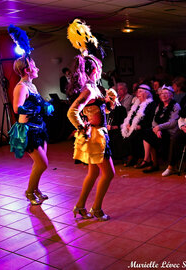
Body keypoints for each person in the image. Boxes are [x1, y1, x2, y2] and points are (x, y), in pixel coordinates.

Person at [66, 18, 114, 221]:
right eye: (99, 69)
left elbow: (97, 109)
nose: (101, 71)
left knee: (93, 173)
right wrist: (83, 127)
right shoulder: (89, 89)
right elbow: (72, 112)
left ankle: (79, 207)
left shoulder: (94, 88)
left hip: (98, 134)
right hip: (95, 137)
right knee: (109, 173)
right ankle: (96, 209)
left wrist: (109, 102)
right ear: (94, 70)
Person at [8, 25, 54, 205]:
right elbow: (17, 108)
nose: (38, 68)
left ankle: (36, 189)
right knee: (42, 164)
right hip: (27, 131)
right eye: (34, 66)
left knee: (40, 164)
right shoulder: (21, 87)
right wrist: (36, 109)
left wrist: (45, 107)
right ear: (27, 70)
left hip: (39, 128)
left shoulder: (32, 86)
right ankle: (29, 192)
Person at [141, 85, 180, 173]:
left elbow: (173, 123)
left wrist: (159, 127)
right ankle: (151, 161)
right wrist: (157, 129)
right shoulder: (160, 106)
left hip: (169, 131)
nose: (163, 95)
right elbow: (154, 119)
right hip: (159, 130)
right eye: (162, 94)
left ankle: (150, 162)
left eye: (166, 93)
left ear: (171, 95)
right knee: (147, 133)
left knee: (149, 135)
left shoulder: (175, 106)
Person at [121, 85, 157, 167]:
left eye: (140, 91)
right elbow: (131, 115)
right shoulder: (136, 104)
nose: (138, 93)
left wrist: (140, 126)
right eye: (137, 92)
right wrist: (129, 124)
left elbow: (150, 119)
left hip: (145, 127)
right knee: (125, 134)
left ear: (147, 93)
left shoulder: (151, 104)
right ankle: (131, 156)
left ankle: (139, 157)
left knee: (136, 135)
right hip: (134, 126)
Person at [105, 88, 127, 162]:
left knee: (115, 137)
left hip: (117, 129)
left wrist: (112, 127)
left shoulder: (121, 109)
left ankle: (116, 157)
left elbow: (123, 123)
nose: (105, 98)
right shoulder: (106, 108)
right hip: (107, 129)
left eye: (106, 97)